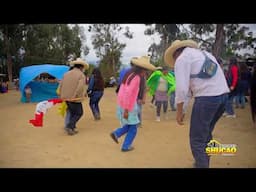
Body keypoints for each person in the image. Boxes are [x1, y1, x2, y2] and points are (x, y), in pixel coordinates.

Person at [164, 39, 229, 168]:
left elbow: (181, 89)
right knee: (206, 133)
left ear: (175, 53)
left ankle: (202, 165)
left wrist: (179, 112)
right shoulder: (205, 54)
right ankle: (203, 162)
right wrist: (183, 110)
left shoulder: (182, 59)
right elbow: (188, 90)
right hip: (223, 97)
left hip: (207, 98)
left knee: (197, 139)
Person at [110, 56, 156, 152]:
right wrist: (127, 109)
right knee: (134, 128)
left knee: (131, 124)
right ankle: (125, 146)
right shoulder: (137, 78)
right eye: (146, 70)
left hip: (123, 103)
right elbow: (129, 93)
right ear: (142, 69)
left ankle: (116, 133)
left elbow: (123, 90)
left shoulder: (130, 74)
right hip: (129, 106)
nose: (146, 73)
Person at [59, 58, 89, 136]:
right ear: (81, 67)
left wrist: (61, 95)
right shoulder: (81, 75)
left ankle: (72, 127)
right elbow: (80, 87)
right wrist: (75, 95)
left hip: (65, 97)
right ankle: (69, 126)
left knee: (72, 112)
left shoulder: (66, 74)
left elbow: (61, 85)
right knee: (79, 113)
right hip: (75, 98)